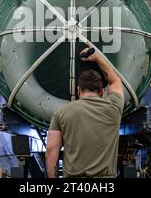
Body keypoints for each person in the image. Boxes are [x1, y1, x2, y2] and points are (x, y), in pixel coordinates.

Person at [45, 47, 124, 178]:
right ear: (101, 92)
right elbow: (115, 81)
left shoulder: (61, 113)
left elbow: (51, 150)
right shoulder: (114, 107)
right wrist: (98, 58)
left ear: (78, 90)